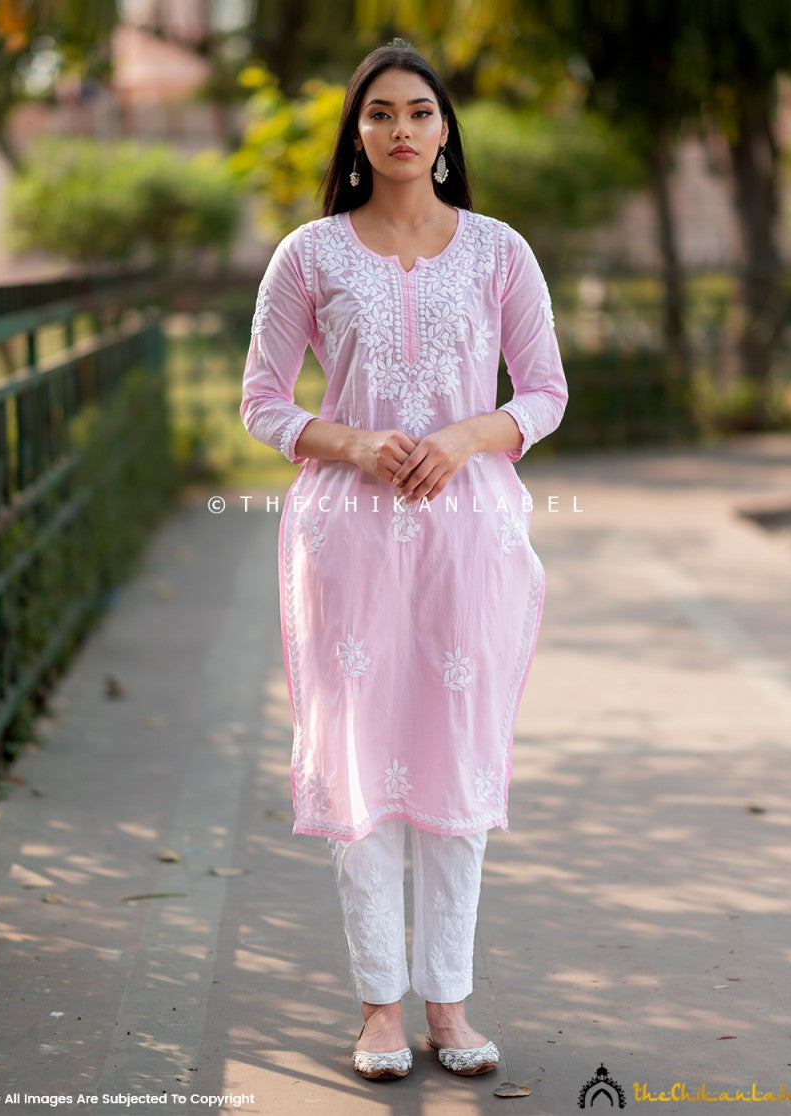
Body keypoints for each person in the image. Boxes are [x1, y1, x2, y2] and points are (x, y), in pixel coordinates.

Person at [240, 38, 568, 1082]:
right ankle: (380, 1008)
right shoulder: (309, 255)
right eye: (378, 114)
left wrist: (466, 438)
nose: (399, 130)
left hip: (469, 537)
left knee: (457, 762)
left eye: (418, 112)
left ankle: (450, 1005)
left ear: (443, 130)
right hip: (346, 544)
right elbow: (260, 403)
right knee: (360, 765)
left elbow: (545, 393)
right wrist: (354, 444)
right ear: (357, 133)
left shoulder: (499, 252)